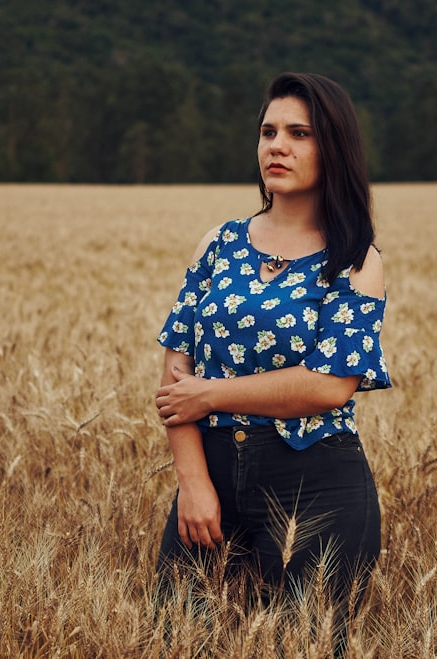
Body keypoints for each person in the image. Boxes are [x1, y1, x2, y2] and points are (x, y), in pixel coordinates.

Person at [154, 72, 391, 614]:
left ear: (334, 149)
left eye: (300, 134)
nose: (277, 146)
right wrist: (192, 484)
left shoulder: (355, 259)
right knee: (176, 636)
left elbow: (329, 385)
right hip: (210, 479)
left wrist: (211, 395)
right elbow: (175, 376)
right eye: (268, 132)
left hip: (318, 488)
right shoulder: (219, 242)